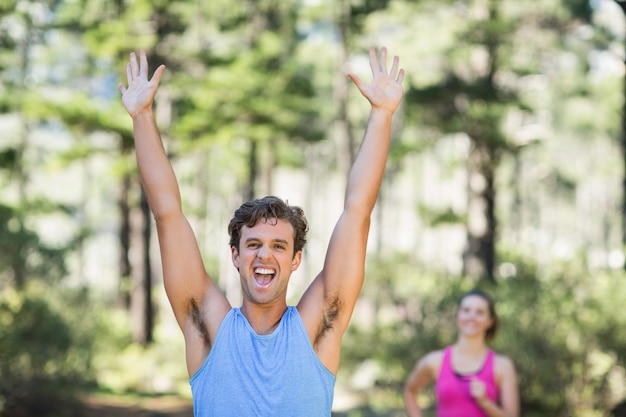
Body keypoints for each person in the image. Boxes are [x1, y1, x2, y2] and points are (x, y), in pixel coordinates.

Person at [119, 47, 404, 416]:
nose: (264, 255)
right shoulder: (208, 327)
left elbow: (357, 212)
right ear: (235, 256)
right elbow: (167, 214)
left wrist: (382, 116)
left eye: (278, 246)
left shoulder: (318, 328)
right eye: (252, 244)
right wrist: (142, 116)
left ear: (295, 259)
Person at [403, 289, 520, 417]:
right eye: (466, 310)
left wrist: (485, 402)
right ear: (457, 315)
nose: (471, 317)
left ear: (490, 321)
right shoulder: (435, 361)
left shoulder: (502, 365)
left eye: (479, 312)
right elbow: (410, 391)